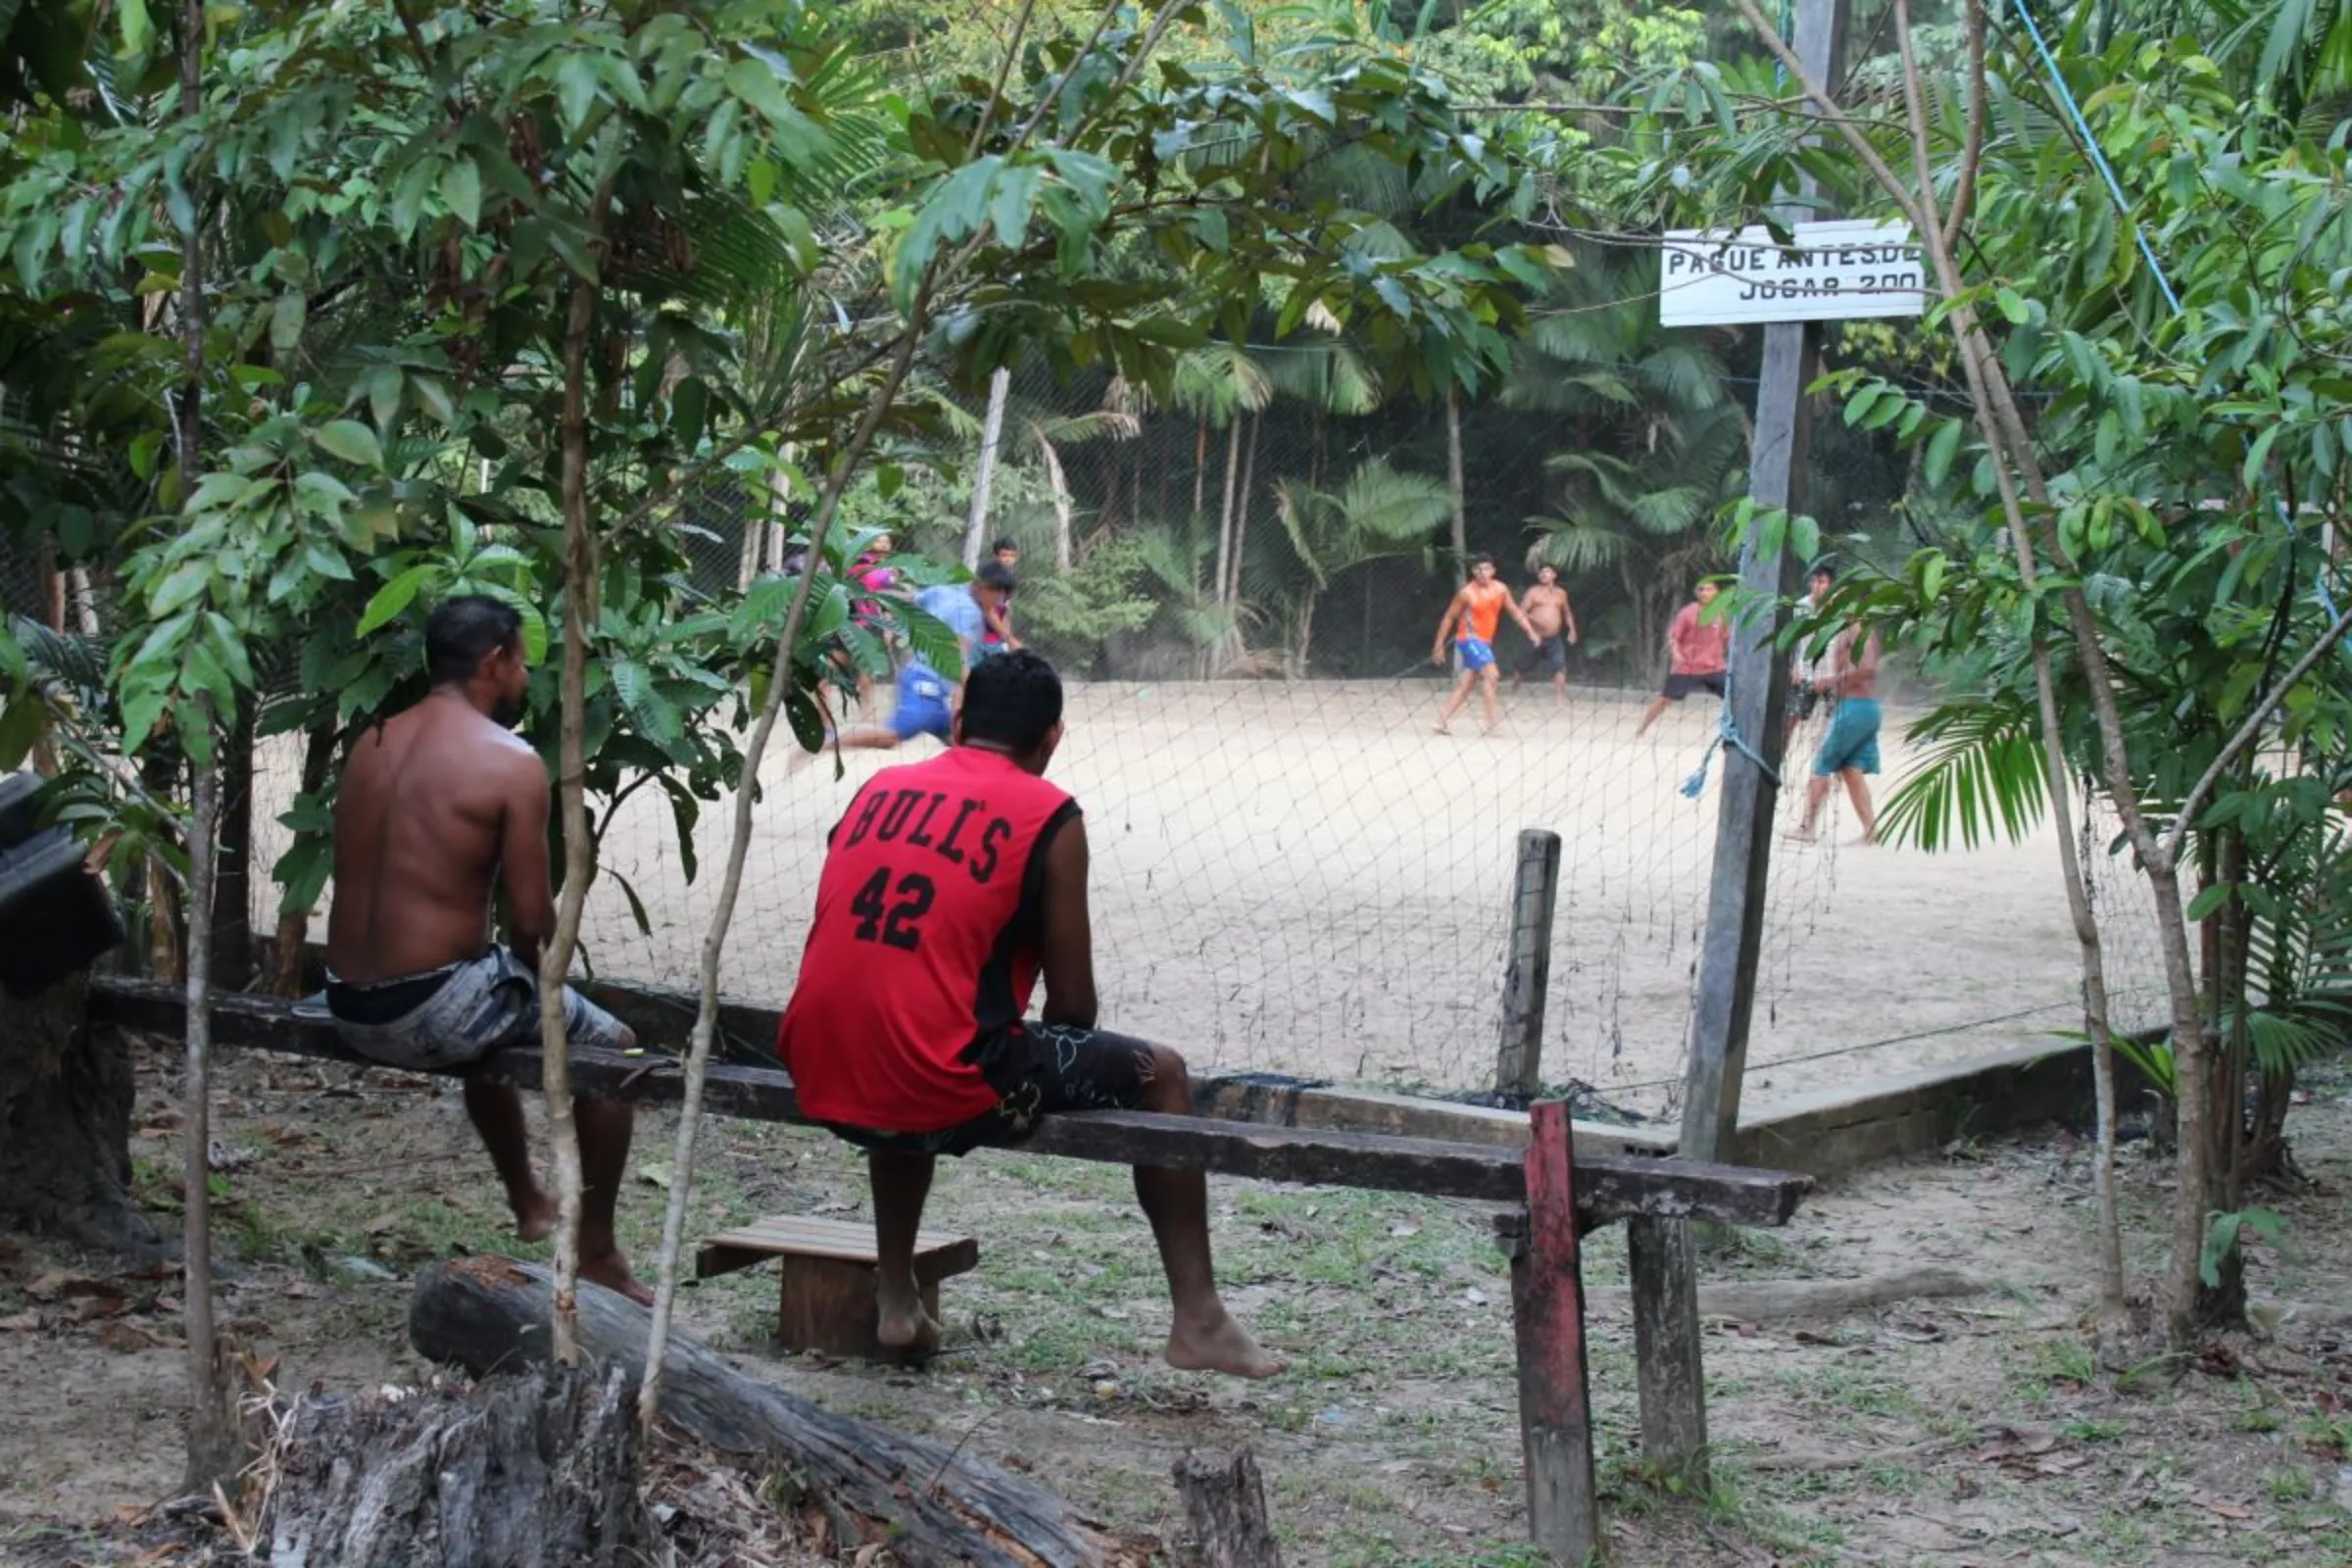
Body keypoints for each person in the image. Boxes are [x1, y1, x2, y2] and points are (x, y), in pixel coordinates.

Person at [776, 652, 1284, 1378]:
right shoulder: (1050, 813)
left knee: (913, 1022)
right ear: (1053, 738)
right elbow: (1074, 1007)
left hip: (817, 1058)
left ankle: (897, 1294)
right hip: (931, 1081)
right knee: (1161, 1073)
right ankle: (1199, 1320)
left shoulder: (879, 788)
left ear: (957, 723)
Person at [324, 596, 650, 1302]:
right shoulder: (510, 761)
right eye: (523, 664)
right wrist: (557, 991)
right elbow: (531, 923)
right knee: (615, 1052)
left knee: (495, 997)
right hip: (429, 1011)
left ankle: (530, 1203)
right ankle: (596, 1251)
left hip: (345, 1000)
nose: (526, 680)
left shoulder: (373, 739)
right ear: (494, 661)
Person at [828, 564, 1016, 754]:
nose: (999, 603)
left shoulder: (944, 591)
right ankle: (828, 742)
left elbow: (906, 599)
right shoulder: (969, 613)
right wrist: (979, 692)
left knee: (965, 742)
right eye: (998, 596)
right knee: (890, 735)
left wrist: (873, 595)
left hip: (917, 677)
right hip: (926, 687)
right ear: (983, 587)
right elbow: (956, 660)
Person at [1789, 621, 1885, 846]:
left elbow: (1867, 667)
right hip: (1864, 708)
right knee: (1851, 770)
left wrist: (1831, 680)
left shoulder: (1857, 630)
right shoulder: (1849, 631)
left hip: (1853, 708)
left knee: (1821, 761)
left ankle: (1807, 828)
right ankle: (1871, 831)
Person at [1432, 555, 1540, 735]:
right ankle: (1491, 725)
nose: (1483, 573)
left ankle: (1441, 721)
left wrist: (1530, 631)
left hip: (1484, 642)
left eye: (1486, 569)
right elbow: (1449, 617)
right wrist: (1439, 645)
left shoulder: (1501, 589)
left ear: (1493, 571)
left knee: (1467, 685)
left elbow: (1514, 611)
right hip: (1469, 639)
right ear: (1473, 571)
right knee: (1492, 676)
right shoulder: (1467, 593)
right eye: (1478, 569)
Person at [1634, 580, 1731, 736]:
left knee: (1734, 698)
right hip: (1688, 667)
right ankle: (1642, 728)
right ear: (1696, 593)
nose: (1705, 593)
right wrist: (1676, 652)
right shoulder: (1687, 613)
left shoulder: (1723, 614)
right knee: (1665, 699)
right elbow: (1674, 636)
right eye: (1701, 590)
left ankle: (1735, 731)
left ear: (1717, 592)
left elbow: (1726, 638)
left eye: (1709, 589)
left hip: (1714, 668)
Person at [1507, 564, 1579, 705]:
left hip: (1554, 638)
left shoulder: (1561, 593)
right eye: (1541, 572)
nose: (1543, 574)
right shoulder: (1533, 592)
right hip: (1535, 637)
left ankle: (1560, 700)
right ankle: (1513, 695)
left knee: (1560, 667)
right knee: (1520, 668)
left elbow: (1567, 613)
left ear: (1554, 575)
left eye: (1547, 572)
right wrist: (1534, 623)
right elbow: (1521, 612)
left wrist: (1572, 630)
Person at [1786, 561, 1837, 739]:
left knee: (1836, 720)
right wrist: (1794, 666)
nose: (1816, 586)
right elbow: (1792, 639)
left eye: (1822, 582)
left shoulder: (1840, 607)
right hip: (1805, 670)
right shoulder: (1800, 607)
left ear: (1830, 585)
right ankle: (1777, 759)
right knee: (1790, 719)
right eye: (1813, 581)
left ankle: (1822, 759)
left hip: (1833, 671)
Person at [981, 537, 1022, 654]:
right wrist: (1009, 639)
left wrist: (1006, 640)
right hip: (980, 637)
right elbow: (989, 612)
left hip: (996, 639)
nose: (1008, 560)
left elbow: (1004, 612)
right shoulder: (988, 577)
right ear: (995, 556)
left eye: (1012, 556)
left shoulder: (1010, 580)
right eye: (1004, 555)